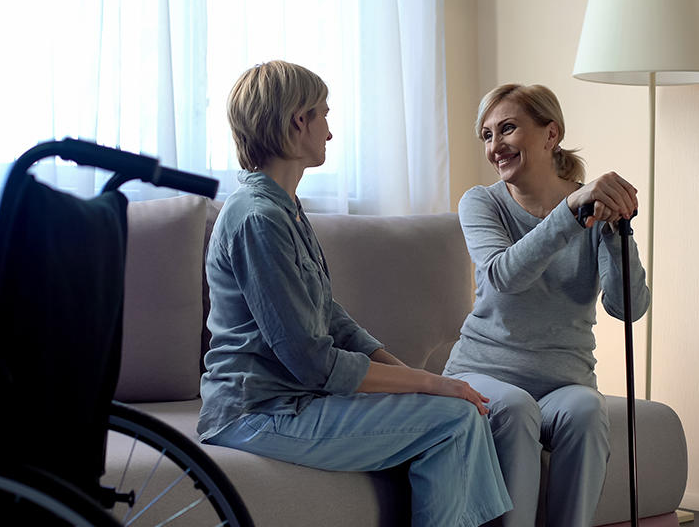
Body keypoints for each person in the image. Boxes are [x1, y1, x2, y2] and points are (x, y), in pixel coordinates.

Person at [197, 60, 512, 527]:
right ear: (298, 121)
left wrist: (419, 378)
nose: (329, 132)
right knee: (455, 420)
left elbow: (331, 317)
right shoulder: (258, 219)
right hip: (257, 413)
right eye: (323, 114)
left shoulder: (286, 210)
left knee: (456, 410)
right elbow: (313, 360)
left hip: (296, 401)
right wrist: (431, 383)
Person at [443, 83, 651, 527]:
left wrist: (616, 234)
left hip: (564, 380)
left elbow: (627, 307)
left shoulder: (588, 206)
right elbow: (504, 276)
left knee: (588, 409)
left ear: (550, 133)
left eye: (508, 129)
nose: (495, 146)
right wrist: (570, 211)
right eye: (486, 135)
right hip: (484, 374)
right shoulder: (481, 202)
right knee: (516, 408)